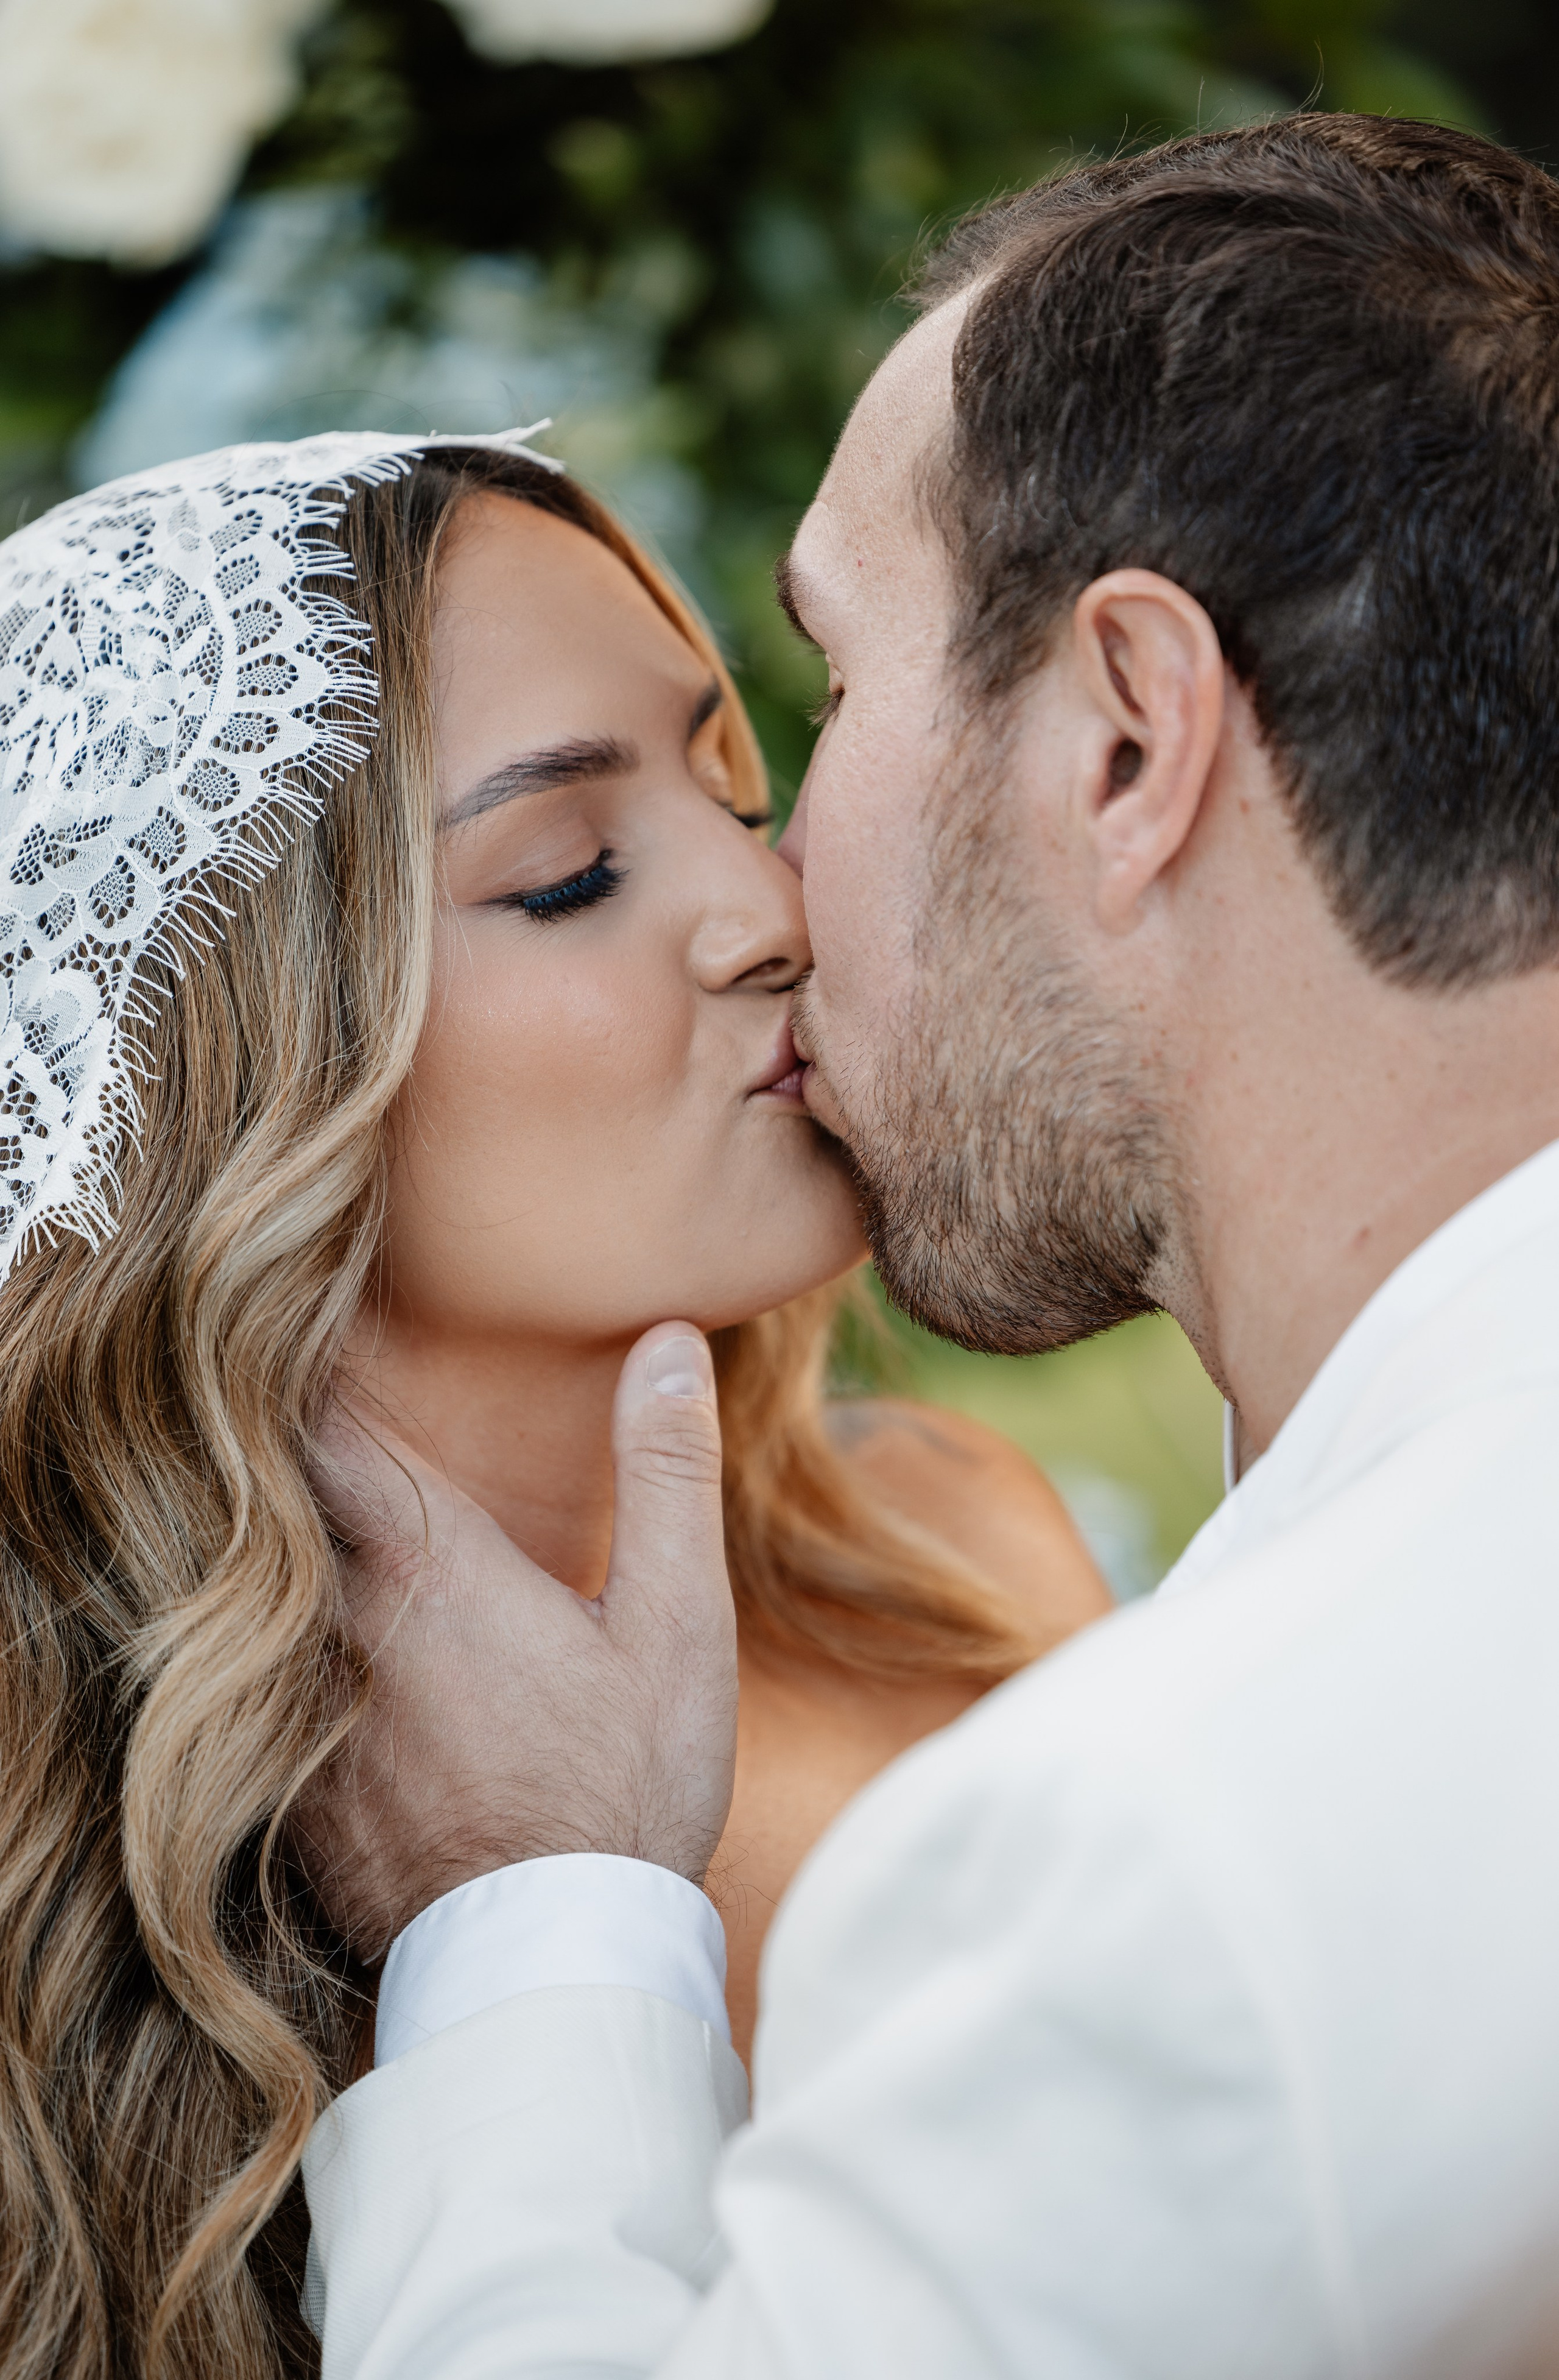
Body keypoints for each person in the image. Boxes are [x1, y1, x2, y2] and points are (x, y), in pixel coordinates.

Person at [297, 111, 1559, 2380]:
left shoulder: (1180, 1862)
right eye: (579, 862)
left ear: (1126, 745)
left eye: (827, 703)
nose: (771, 896)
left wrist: (525, 1931)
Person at [0, 429, 1105, 2378]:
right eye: (569, 870)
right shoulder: (69, 1898)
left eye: (737, 781)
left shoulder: (950, 1550)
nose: (772, 908)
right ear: (243, 1083)